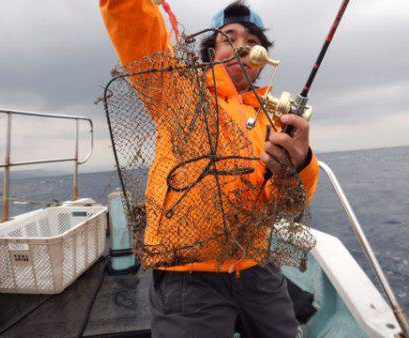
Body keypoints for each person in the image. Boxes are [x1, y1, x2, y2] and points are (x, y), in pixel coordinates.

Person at [100, 1, 319, 337]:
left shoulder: (275, 121)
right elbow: (131, 18)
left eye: (251, 39)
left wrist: (300, 165)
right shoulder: (176, 90)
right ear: (210, 51)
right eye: (228, 36)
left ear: (262, 58)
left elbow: (287, 203)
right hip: (189, 277)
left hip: (258, 268)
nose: (242, 44)